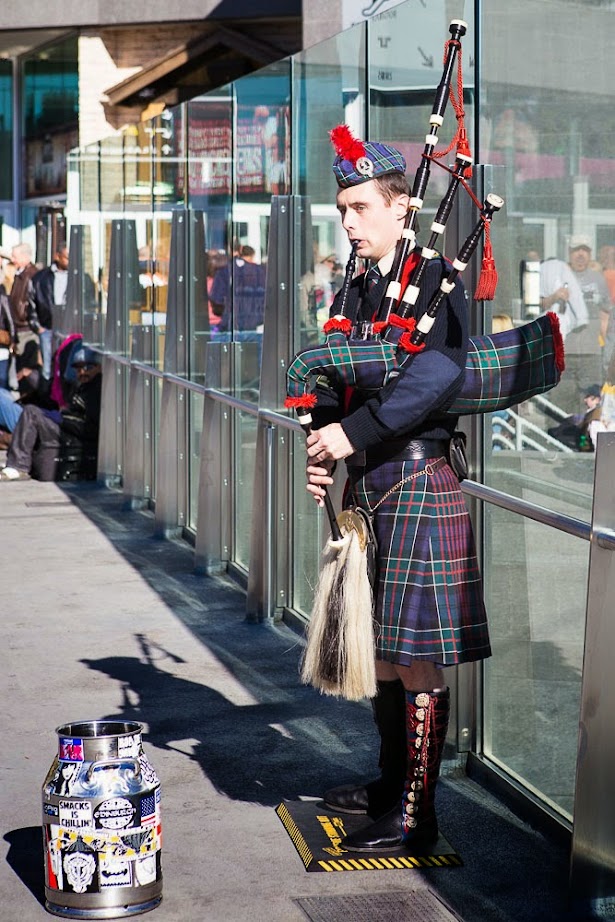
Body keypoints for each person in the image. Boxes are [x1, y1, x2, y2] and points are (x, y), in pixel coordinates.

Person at [303, 127, 490, 852]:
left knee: (413, 653)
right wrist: (319, 435)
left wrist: (357, 430)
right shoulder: (357, 284)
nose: (348, 222)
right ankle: (389, 783)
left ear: (400, 206)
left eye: (359, 208)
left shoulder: (436, 279)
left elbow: (438, 376)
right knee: (380, 644)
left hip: (415, 476)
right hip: (369, 482)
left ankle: (417, 810)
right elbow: (331, 369)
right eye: (342, 209)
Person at [0, 346, 102, 481]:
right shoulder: (82, 387)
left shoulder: (95, 390)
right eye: (78, 369)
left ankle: (18, 466)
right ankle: (17, 462)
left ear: (99, 367)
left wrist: (62, 419)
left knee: (31, 413)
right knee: (29, 409)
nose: (82, 372)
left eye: (88, 367)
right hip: (67, 429)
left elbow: (90, 428)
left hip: (72, 435)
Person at [32, 244, 69, 381]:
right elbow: (31, 301)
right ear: (57, 256)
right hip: (47, 328)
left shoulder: (78, 277)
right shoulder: (41, 277)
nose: (69, 262)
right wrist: (37, 327)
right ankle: (49, 398)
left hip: (69, 328)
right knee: (47, 369)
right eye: (66, 258)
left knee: (66, 367)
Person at [547, 384, 602, 451]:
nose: (585, 400)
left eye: (588, 397)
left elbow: (591, 435)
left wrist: (583, 447)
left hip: (586, 445)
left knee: (561, 435)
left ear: (597, 400)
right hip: (585, 442)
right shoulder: (593, 412)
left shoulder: (596, 414)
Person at [7, 242, 40, 357]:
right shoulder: (19, 274)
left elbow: (33, 301)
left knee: (28, 367)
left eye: (14, 256)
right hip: (19, 326)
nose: (12, 259)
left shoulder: (32, 275)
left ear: (24, 257)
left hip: (27, 328)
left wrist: (25, 315)